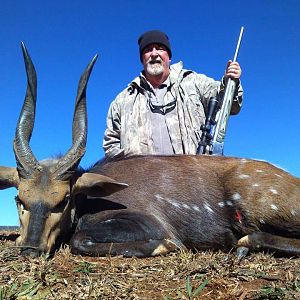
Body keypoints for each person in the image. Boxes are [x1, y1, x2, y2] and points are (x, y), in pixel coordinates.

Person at [103, 30, 243, 158]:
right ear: (142, 59)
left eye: (160, 48)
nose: (154, 53)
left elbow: (230, 106)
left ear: (168, 57)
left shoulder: (195, 82)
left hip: (195, 178)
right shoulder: (122, 101)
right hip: (142, 182)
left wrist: (231, 82)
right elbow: (111, 144)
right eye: (147, 50)